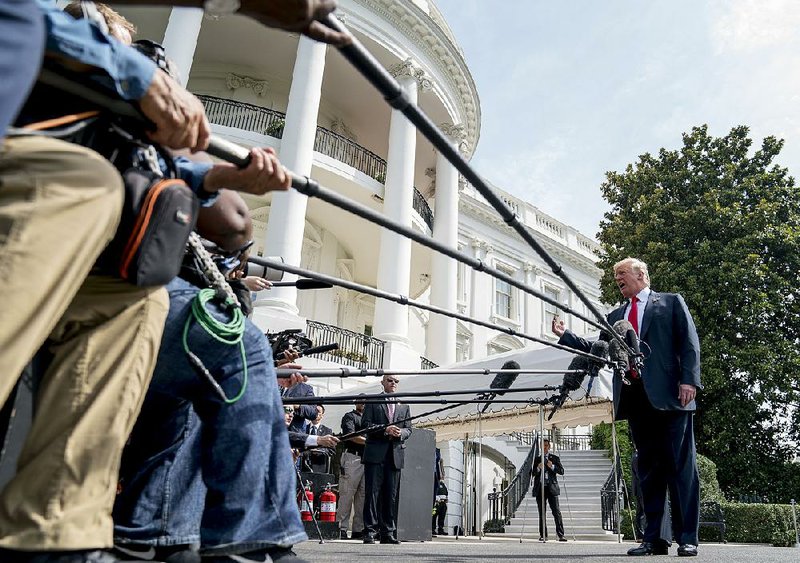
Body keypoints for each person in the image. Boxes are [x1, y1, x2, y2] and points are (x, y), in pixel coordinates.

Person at [553, 257, 701, 557]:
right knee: (648, 472)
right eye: (615, 275)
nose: (617, 278)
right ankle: (654, 539)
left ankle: (688, 538)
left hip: (672, 397)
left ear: (641, 275)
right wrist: (565, 336)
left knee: (680, 469)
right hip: (636, 401)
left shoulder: (671, 303)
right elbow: (599, 348)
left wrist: (690, 381)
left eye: (622, 273)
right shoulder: (615, 316)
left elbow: (689, 342)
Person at [361, 375, 412, 545]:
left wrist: (401, 433)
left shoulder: (404, 405)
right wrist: (385, 430)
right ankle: (369, 531)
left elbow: (408, 429)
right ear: (382, 382)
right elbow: (366, 424)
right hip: (375, 454)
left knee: (391, 495)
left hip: (395, 454)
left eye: (396, 381)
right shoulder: (373, 401)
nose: (393, 383)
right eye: (390, 380)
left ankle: (388, 532)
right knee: (372, 494)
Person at [336, 398, 366, 540]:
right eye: (361, 401)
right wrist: (370, 441)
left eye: (367, 401)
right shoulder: (350, 416)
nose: (364, 403)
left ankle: (358, 529)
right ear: (356, 402)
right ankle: (341, 528)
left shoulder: (370, 418)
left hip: (367, 459)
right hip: (352, 458)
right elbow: (351, 435)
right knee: (347, 493)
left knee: (362, 496)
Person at [531, 438, 566, 542]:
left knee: (556, 512)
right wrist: (537, 468)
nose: (545, 447)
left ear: (549, 446)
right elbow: (531, 473)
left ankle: (561, 535)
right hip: (540, 488)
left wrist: (552, 466)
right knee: (542, 512)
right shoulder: (537, 459)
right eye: (543, 445)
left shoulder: (554, 458)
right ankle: (543, 535)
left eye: (546, 445)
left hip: (552, 488)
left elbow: (561, 471)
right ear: (541, 447)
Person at [298, 405, 335, 474]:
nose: (315, 413)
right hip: (303, 466)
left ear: (322, 415)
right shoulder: (303, 429)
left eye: (318, 412)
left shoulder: (327, 431)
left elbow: (331, 450)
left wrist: (318, 451)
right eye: (314, 411)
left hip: (319, 468)